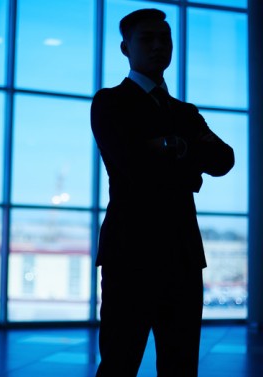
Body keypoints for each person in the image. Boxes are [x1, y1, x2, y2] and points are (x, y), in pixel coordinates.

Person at [90, 9, 235, 377]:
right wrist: (188, 153)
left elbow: (224, 159)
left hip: (182, 256)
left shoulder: (184, 111)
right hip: (130, 255)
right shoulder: (110, 102)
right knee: (120, 364)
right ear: (125, 48)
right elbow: (133, 165)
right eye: (146, 39)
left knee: (181, 365)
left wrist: (170, 146)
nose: (158, 45)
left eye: (164, 39)